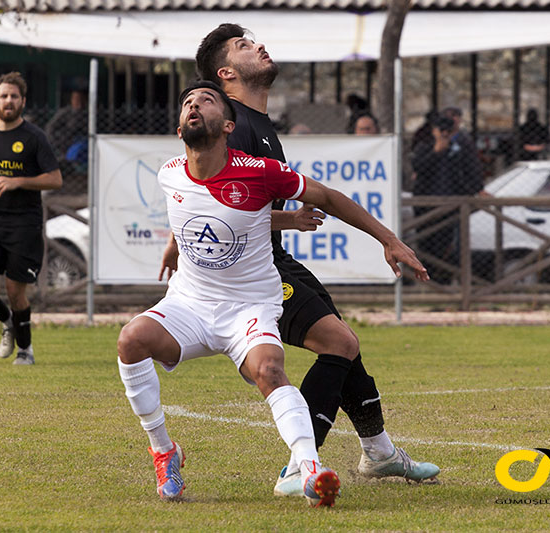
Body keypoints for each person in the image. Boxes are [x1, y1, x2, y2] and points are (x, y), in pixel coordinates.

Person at [122, 80, 428, 507]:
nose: (194, 106)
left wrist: (388, 239)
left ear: (228, 125)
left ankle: (308, 469)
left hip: (249, 304)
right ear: (178, 128)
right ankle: (164, 451)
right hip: (189, 303)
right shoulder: (169, 172)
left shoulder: (258, 170)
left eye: (206, 101)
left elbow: (329, 198)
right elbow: (194, 210)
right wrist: (175, 244)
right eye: (187, 102)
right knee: (130, 341)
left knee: (270, 370)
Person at [190, 23, 440, 498]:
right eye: (245, 46)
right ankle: (299, 467)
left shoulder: (259, 125)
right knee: (339, 342)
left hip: (275, 260)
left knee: (346, 345)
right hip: (248, 276)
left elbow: (311, 197)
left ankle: (380, 452)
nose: (260, 45)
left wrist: (385, 237)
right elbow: (215, 215)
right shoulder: (233, 126)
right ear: (225, 73)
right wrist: (287, 222)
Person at [0, 72, 62, 365]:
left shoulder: (34, 137)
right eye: (4, 96)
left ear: (22, 101)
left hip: (24, 223)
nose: (9, 101)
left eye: (14, 96)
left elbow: (55, 179)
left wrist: (18, 181)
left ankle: (25, 350)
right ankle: (6, 321)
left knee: (14, 291)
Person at [411, 116, 486, 284]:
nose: (444, 135)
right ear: (434, 131)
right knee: (426, 246)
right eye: (441, 131)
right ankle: (427, 282)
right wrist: (436, 152)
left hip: (451, 207)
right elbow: (418, 167)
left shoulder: (458, 150)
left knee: (447, 248)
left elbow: (469, 172)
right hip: (426, 207)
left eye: (448, 132)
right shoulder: (425, 147)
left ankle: (443, 282)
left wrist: (471, 191)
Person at [45, 89, 87, 159]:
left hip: (81, 142)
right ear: (72, 100)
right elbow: (50, 127)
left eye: (82, 100)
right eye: (77, 100)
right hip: (65, 143)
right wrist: (56, 142)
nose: (80, 103)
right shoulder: (65, 112)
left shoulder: (86, 114)